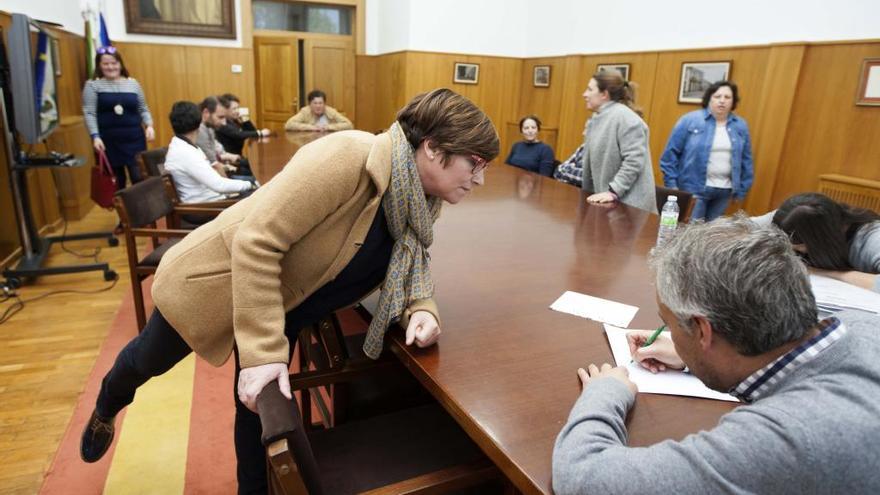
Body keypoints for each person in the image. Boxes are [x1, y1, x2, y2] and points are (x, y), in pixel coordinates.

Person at [79, 88, 500, 494]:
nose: (479, 179)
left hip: (281, 306)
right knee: (145, 361)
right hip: (216, 284)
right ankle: (107, 403)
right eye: (475, 163)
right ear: (431, 147)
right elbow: (256, 242)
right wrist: (263, 355)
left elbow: (411, 262)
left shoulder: (420, 199)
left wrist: (421, 307)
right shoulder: (349, 156)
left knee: (256, 409)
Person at [552, 215, 880, 494]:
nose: (670, 334)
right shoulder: (865, 324)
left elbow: (582, 478)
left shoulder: (786, 438)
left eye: (669, 324)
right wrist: (692, 356)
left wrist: (604, 393)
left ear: (703, 331)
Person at [659, 81, 754, 221]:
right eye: (717, 96)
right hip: (693, 189)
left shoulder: (740, 126)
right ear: (709, 98)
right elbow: (670, 155)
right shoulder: (690, 120)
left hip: (725, 191)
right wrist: (672, 186)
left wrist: (741, 190)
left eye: (727, 97)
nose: (722, 101)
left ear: (733, 101)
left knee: (710, 236)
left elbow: (746, 160)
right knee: (689, 232)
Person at [757, 192, 880, 292]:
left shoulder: (873, 237)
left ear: (819, 240)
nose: (796, 251)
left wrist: (823, 273)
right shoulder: (790, 217)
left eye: (800, 248)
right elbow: (741, 228)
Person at [580, 70, 655, 212]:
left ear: (604, 94)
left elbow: (633, 162)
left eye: (590, 89)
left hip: (630, 208)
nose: (585, 94)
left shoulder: (626, 118)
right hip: (608, 205)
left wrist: (613, 191)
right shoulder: (599, 117)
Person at [82, 46, 155, 189]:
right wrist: (95, 136)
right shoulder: (92, 86)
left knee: (139, 177)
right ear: (99, 65)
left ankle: (141, 210)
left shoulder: (133, 84)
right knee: (118, 180)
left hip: (134, 138)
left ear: (120, 64)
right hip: (108, 141)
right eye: (106, 63)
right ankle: (124, 211)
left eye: (114, 63)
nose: (110, 67)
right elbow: (90, 113)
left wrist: (149, 125)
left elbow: (143, 108)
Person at [163, 101, 256, 206]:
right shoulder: (185, 152)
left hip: (208, 200)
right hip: (205, 208)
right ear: (199, 121)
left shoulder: (181, 145)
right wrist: (251, 184)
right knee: (261, 196)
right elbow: (219, 185)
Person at [196, 95, 247, 176]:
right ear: (206, 113)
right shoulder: (199, 131)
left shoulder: (209, 126)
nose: (224, 123)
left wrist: (226, 157)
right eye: (220, 117)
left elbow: (217, 150)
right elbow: (214, 164)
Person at [284, 89, 353, 132]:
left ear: (324, 104)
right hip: (309, 141)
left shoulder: (331, 111)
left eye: (320, 103)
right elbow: (289, 124)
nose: (318, 106)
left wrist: (328, 127)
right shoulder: (305, 111)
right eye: (315, 103)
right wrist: (312, 128)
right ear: (310, 104)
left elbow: (349, 125)